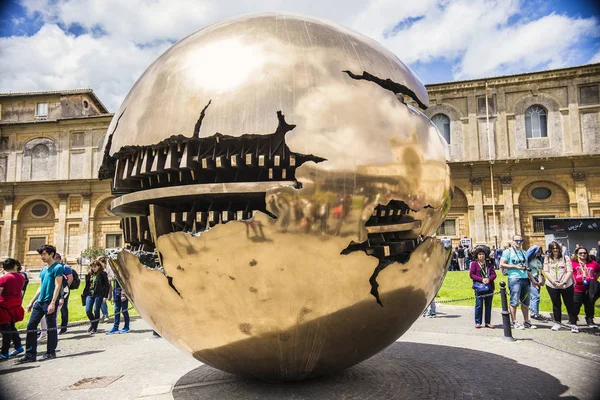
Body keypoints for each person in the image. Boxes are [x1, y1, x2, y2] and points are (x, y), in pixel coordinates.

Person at [17, 244, 64, 363]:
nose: (42, 256)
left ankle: (50, 352)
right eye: (41, 254)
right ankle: (30, 354)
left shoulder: (58, 267)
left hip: (50, 301)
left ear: (51, 254)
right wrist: (32, 302)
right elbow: (41, 286)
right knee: (31, 326)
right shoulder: (43, 269)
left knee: (51, 327)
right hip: (40, 301)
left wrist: (53, 302)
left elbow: (58, 286)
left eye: (44, 254)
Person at [500, 235, 537, 329]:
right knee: (514, 301)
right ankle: (514, 322)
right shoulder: (507, 252)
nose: (519, 242)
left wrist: (533, 280)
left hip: (525, 278)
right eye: (517, 241)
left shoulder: (524, 252)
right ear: (513, 241)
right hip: (514, 278)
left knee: (525, 302)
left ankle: (526, 321)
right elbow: (502, 264)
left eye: (521, 240)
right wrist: (515, 267)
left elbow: (527, 268)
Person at [542, 241, 577, 332]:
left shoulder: (565, 258)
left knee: (569, 304)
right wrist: (554, 282)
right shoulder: (547, 258)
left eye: (557, 248)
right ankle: (558, 323)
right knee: (556, 304)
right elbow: (546, 271)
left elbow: (569, 271)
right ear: (550, 249)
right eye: (553, 248)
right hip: (552, 285)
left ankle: (573, 324)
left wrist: (563, 282)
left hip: (566, 284)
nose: (555, 250)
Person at [0, 258, 26, 360]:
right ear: (14, 266)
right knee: (11, 327)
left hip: (4, 306)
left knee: (5, 330)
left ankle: (4, 351)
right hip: (15, 305)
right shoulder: (21, 277)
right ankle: (18, 345)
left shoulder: (3, 279)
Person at [571, 247, 600, 329]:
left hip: (590, 288)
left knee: (590, 304)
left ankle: (590, 319)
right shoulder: (573, 263)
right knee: (576, 304)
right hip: (577, 287)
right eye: (580, 253)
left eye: (584, 253)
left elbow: (598, 270)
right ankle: (573, 321)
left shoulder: (593, 263)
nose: (583, 254)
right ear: (577, 254)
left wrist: (594, 279)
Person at [469, 246, 496, 328]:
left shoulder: (489, 265)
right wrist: (481, 279)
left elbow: (494, 274)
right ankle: (478, 322)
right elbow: (472, 275)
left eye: (483, 254)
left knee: (488, 305)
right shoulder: (474, 264)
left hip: (489, 286)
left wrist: (489, 279)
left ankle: (487, 322)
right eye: (479, 254)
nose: (481, 256)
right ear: (477, 256)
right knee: (479, 304)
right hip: (479, 286)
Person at [83, 260, 110, 334]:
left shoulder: (103, 274)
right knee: (88, 311)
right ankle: (93, 323)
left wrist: (105, 296)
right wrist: (84, 294)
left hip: (99, 294)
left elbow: (107, 285)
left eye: (95, 267)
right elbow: (87, 285)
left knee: (96, 310)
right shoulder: (89, 274)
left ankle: (95, 327)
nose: (93, 268)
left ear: (99, 266)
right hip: (90, 294)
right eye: (92, 267)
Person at [105, 262, 130, 334]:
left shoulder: (123, 270)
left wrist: (123, 294)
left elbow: (125, 283)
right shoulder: (114, 269)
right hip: (116, 292)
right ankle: (115, 327)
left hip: (122, 293)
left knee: (124, 310)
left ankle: (126, 326)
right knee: (116, 311)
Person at [54, 253, 73, 335]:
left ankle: (64, 327)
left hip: (64, 291)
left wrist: (64, 290)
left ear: (58, 259)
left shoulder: (65, 267)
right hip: (55, 290)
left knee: (63, 308)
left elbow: (70, 279)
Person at [526, 245, 545, 320]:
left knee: (534, 296)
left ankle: (533, 312)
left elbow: (539, 270)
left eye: (540, 252)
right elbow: (527, 270)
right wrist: (533, 280)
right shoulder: (528, 260)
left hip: (537, 279)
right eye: (538, 251)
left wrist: (540, 278)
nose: (539, 253)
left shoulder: (538, 260)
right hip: (531, 279)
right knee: (536, 296)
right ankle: (535, 313)